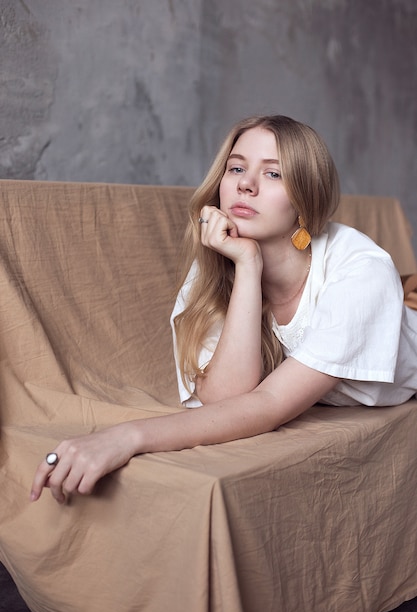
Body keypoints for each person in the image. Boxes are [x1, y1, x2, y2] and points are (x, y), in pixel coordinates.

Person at [30, 114, 417, 504]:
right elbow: (227, 399)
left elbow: (268, 406)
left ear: (305, 196)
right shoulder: (219, 265)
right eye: (236, 168)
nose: (245, 184)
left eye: (273, 174)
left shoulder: (362, 271)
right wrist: (248, 266)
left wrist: (127, 436)